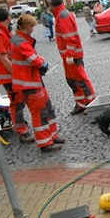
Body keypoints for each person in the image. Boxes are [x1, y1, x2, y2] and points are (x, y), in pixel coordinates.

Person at [9, 14, 65, 153]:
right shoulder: (21, 42)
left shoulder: (18, 39)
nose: (33, 29)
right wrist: (42, 62)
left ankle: (52, 136)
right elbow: (34, 61)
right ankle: (45, 143)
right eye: (32, 26)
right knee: (40, 113)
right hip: (30, 84)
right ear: (27, 27)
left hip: (33, 82)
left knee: (48, 109)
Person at [45, 0, 96, 115]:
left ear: (50, 3)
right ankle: (81, 104)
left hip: (72, 56)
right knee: (72, 81)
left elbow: (70, 38)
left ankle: (92, 105)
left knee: (81, 81)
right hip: (69, 56)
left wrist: (69, 55)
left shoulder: (62, 16)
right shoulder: (61, 14)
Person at [0, 7, 35, 143]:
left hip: (10, 75)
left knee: (19, 102)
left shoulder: (2, 32)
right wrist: (17, 74)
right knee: (17, 104)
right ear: (8, 17)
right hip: (9, 77)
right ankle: (21, 132)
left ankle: (21, 126)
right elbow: (4, 58)